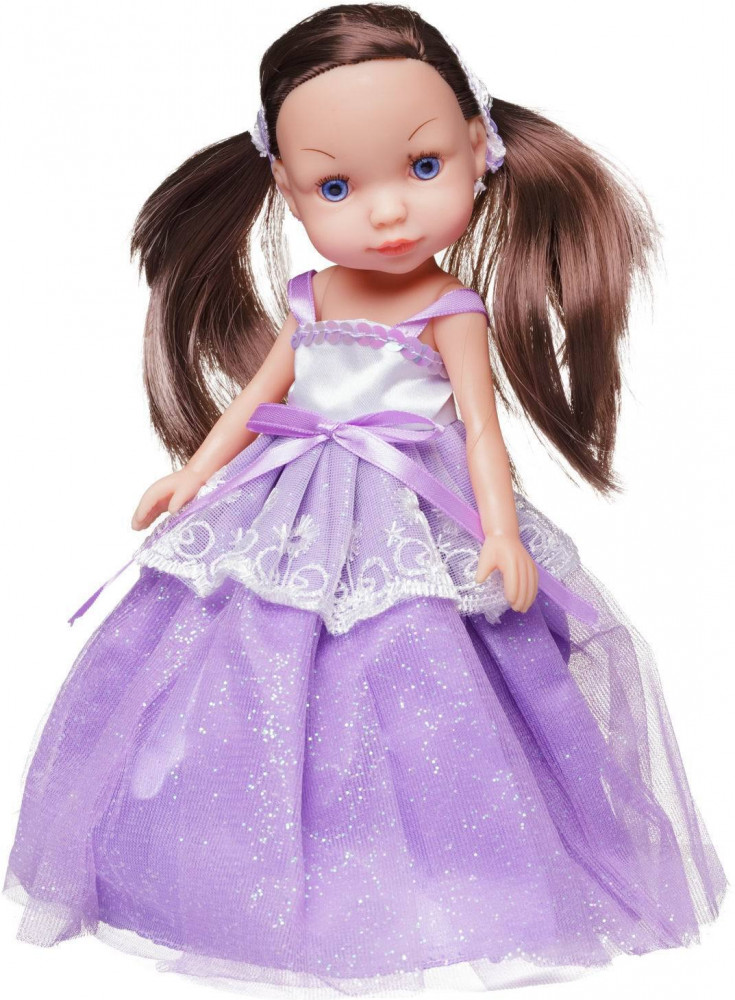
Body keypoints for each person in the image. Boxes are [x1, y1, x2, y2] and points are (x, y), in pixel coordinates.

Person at [4, 4, 728, 994]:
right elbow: (256, 400)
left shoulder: (451, 309)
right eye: (337, 186)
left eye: (423, 167)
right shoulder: (309, 297)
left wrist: (501, 532)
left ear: (480, 149)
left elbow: (480, 429)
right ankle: (250, 872)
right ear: (286, 189)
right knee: (259, 662)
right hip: (290, 500)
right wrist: (193, 472)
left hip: (412, 506)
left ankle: (443, 872)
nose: (387, 213)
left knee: (427, 672)